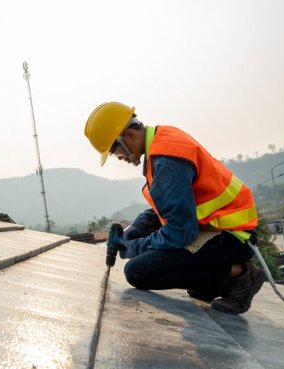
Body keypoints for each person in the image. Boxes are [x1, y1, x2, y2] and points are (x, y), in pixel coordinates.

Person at [84, 101, 265, 314]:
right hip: (219, 227)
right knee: (183, 276)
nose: (120, 158)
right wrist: (137, 227)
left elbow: (181, 232)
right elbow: (171, 205)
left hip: (232, 237)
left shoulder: (166, 162)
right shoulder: (163, 139)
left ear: (130, 135)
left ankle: (240, 274)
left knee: (138, 271)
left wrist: (135, 246)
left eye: (115, 151)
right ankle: (212, 282)